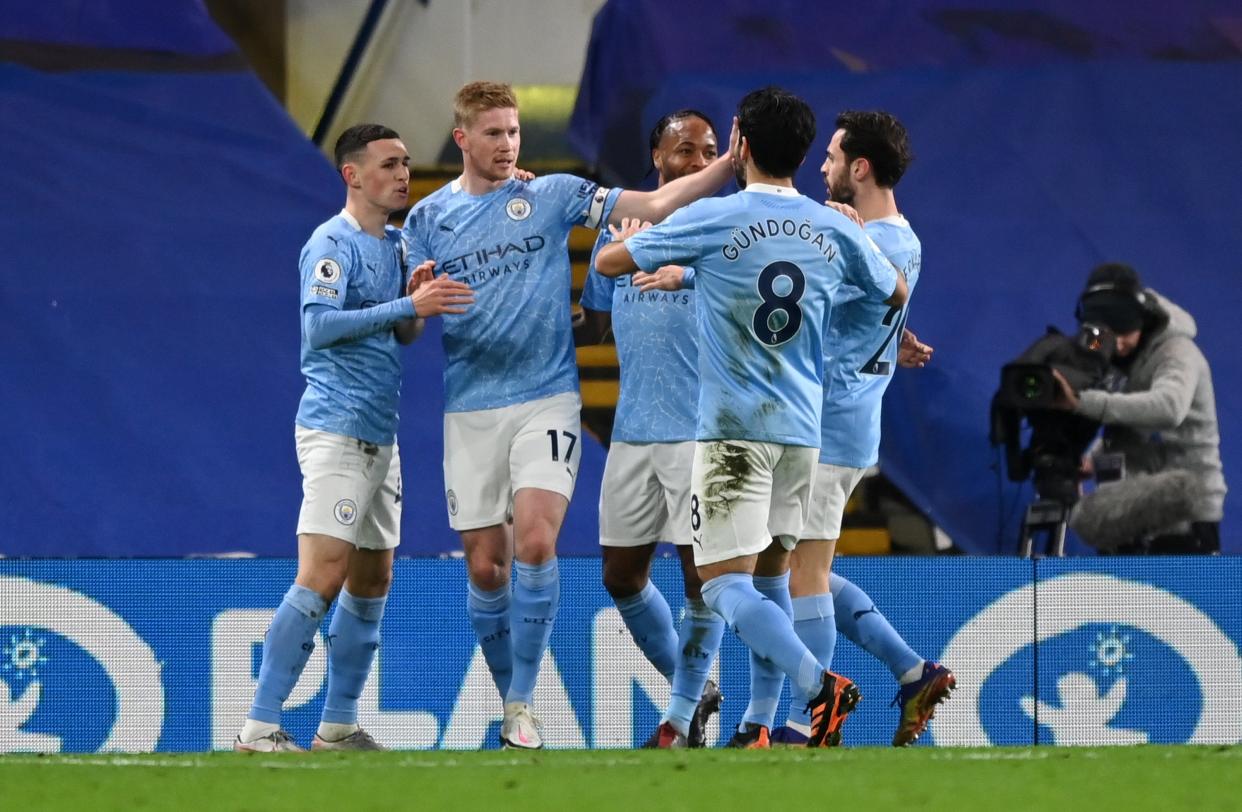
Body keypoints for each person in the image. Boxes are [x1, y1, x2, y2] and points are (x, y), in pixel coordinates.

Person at [402, 82, 735, 750]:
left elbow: (666, 215)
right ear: (462, 138)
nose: (507, 145)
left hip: (585, 406)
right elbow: (600, 315)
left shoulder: (558, 194)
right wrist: (415, 302)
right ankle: (550, 702)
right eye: (493, 133)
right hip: (495, 411)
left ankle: (727, 710)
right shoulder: (426, 219)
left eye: (515, 132)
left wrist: (731, 168)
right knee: (501, 569)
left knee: (544, 545)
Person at [595, 86, 908, 749]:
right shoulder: (831, 225)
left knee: (722, 585)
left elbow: (609, 262)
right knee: (773, 581)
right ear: (801, 150)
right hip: (801, 435)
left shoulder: (722, 218)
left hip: (734, 434)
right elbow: (895, 291)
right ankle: (764, 727)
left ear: (740, 147)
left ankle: (817, 683)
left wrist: (645, 245)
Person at [235, 124, 473, 752]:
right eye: (390, 165)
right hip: (336, 428)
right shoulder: (330, 243)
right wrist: (406, 307)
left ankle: (338, 724)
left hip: (380, 433)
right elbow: (319, 329)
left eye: (406, 162)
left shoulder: (395, 247)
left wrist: (412, 298)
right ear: (353, 174)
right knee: (322, 574)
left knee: (372, 578)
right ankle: (259, 725)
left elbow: (406, 336)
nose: (403, 175)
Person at [768, 110, 953, 748]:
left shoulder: (877, 242)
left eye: (832, 158)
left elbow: (810, 306)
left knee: (802, 575)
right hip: (838, 422)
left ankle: (808, 720)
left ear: (861, 168)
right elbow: (863, 319)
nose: (822, 168)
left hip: (828, 424)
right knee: (796, 565)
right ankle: (911, 670)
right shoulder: (895, 240)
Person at [576, 109, 726, 749]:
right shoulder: (621, 229)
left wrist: (684, 272)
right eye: (685, 151)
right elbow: (598, 321)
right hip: (635, 428)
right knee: (620, 575)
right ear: (656, 159)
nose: (697, 163)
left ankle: (682, 715)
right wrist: (617, 253)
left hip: (700, 429)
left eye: (709, 151)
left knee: (702, 580)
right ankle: (694, 687)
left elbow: (748, 297)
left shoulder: (728, 224)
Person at [1053, 263, 1225, 554]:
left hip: (1185, 515)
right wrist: (1092, 460)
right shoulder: (1111, 355)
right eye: (1108, 335)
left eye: (1125, 332)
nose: (1118, 344)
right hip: (1129, 511)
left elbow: (1169, 408)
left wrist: (1081, 402)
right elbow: (1124, 423)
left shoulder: (1178, 352)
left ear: (1143, 320)